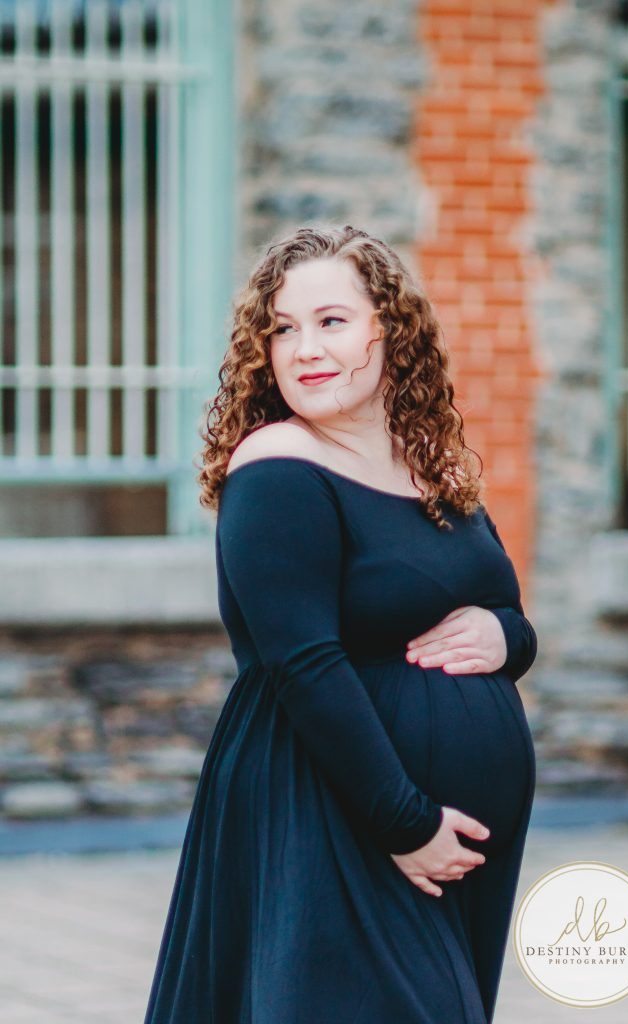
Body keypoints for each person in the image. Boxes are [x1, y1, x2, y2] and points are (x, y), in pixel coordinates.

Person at [143, 224, 537, 1024]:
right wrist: (404, 821)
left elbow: (505, 610)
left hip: (453, 835)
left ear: (388, 329)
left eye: (331, 321)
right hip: (336, 805)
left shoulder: (432, 466)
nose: (303, 348)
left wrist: (507, 639)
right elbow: (304, 663)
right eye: (281, 329)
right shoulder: (277, 467)